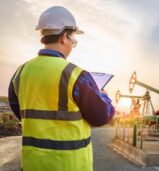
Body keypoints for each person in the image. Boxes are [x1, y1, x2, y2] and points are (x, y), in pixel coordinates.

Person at [8, 6, 115, 171]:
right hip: (70, 165)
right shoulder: (75, 74)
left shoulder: (21, 72)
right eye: (73, 39)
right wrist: (104, 97)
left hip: (33, 164)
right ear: (65, 37)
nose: (73, 44)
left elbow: (20, 112)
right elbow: (101, 117)